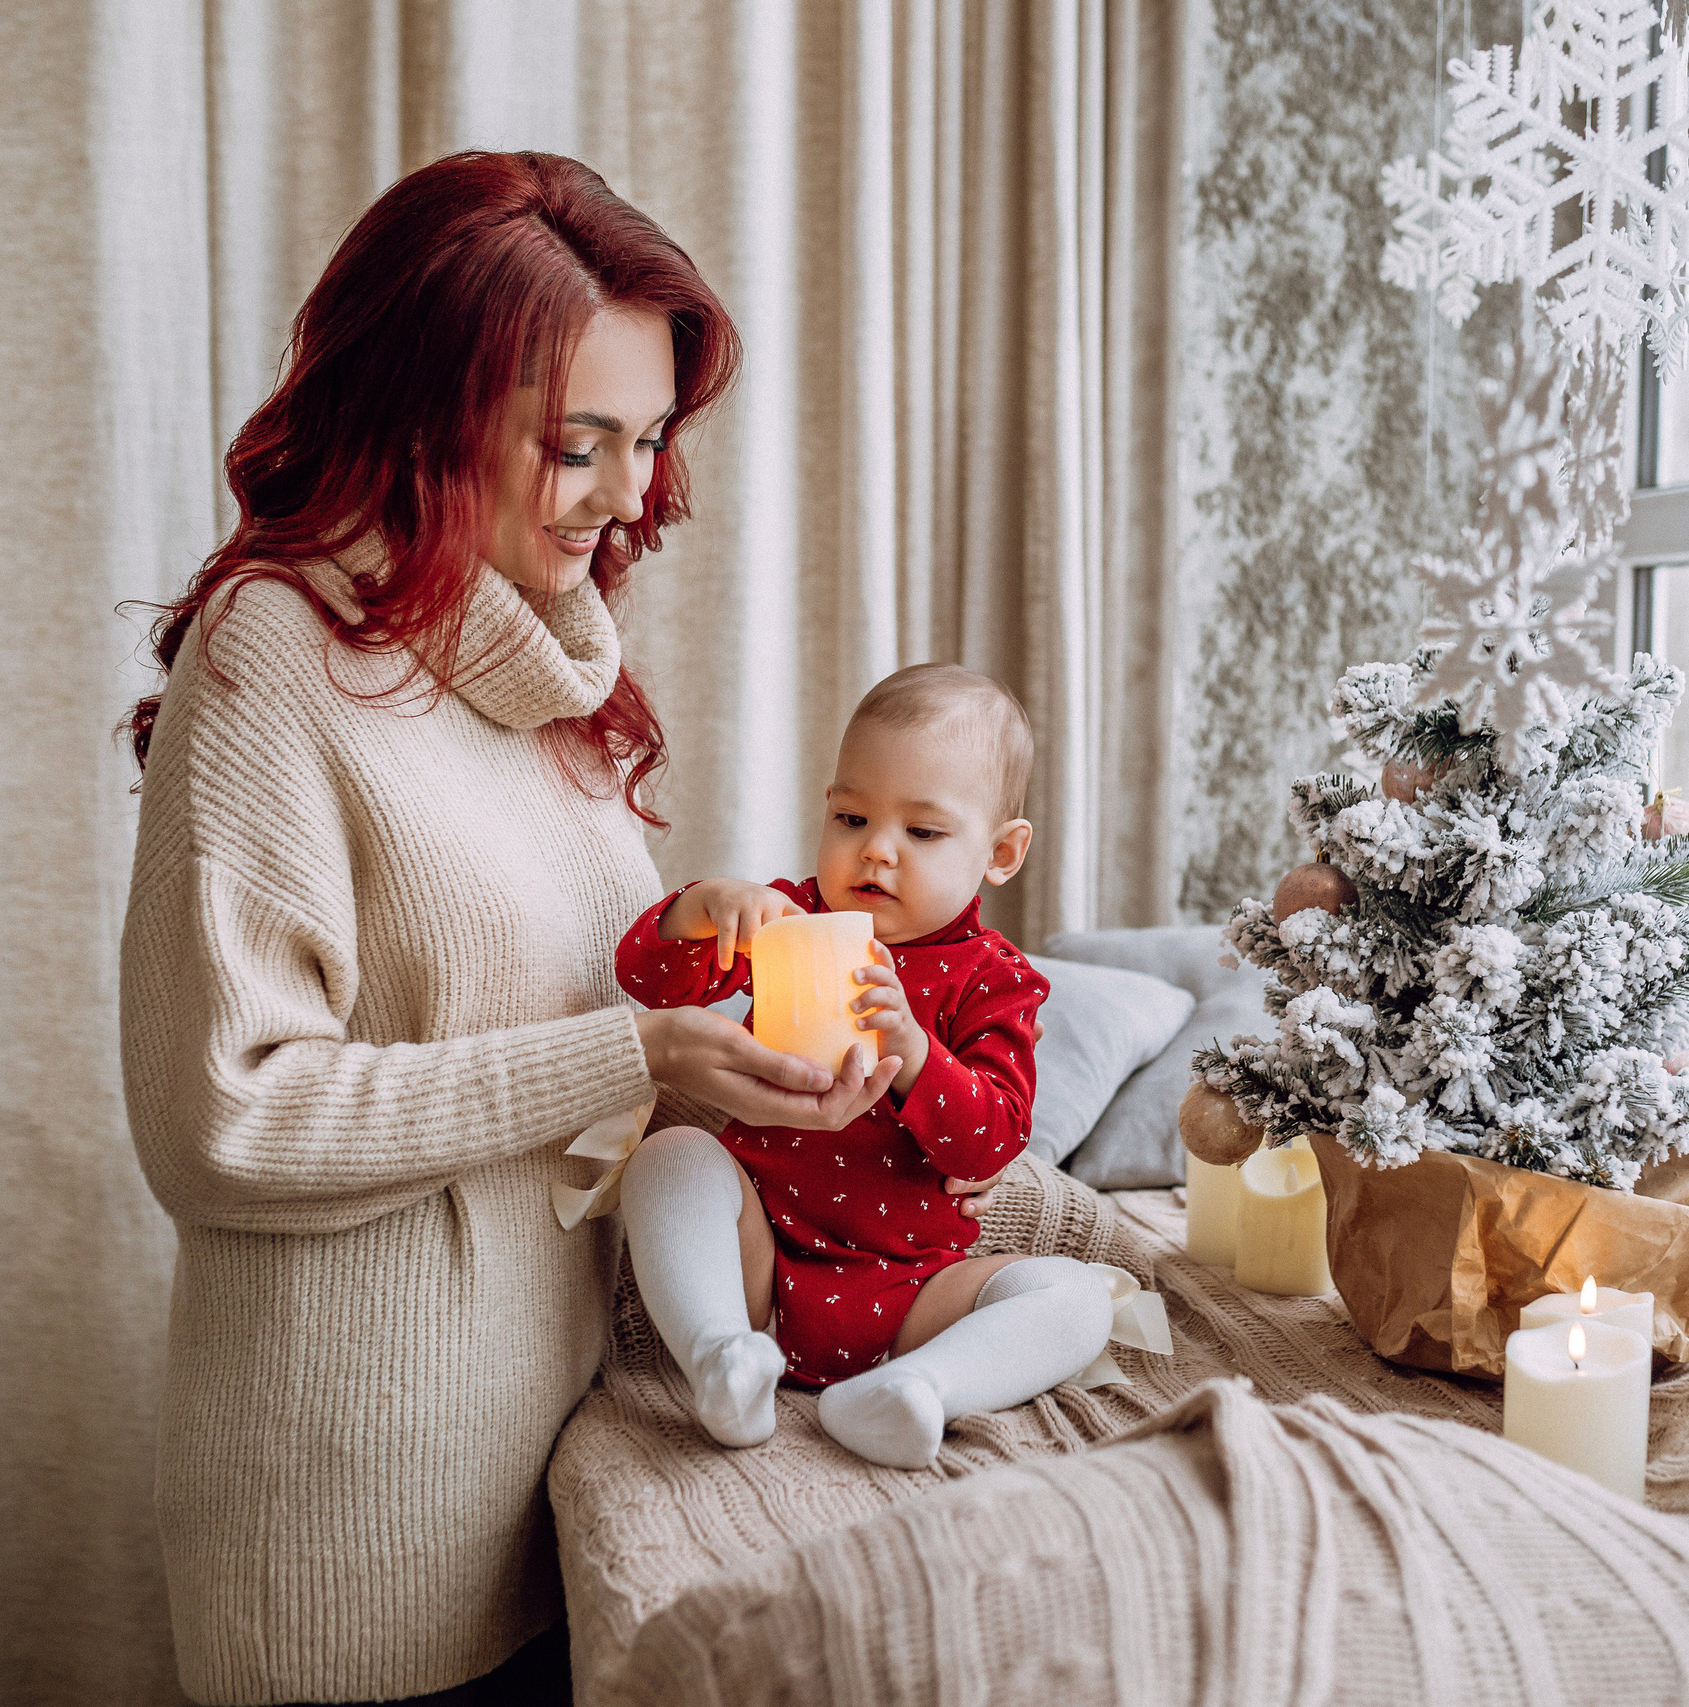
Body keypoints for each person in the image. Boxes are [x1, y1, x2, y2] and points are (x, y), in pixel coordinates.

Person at [117, 151, 987, 1707]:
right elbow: (222, 1114)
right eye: (576, 445)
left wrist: (722, 1047)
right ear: (421, 414)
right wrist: (633, 1048)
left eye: (647, 442)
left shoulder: (542, 669)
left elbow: (557, 1047)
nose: (631, 497)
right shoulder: (274, 660)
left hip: (561, 1485)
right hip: (359, 1532)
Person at [611, 665, 1114, 1469]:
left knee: (1082, 1298)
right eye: (852, 816)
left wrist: (917, 1056)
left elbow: (991, 1143)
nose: (875, 850)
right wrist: (702, 908)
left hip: (916, 1290)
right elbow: (648, 980)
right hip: (763, 1267)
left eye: (922, 832)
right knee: (670, 1158)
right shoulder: (794, 919)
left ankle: (918, 1390)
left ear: (1001, 852)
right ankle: (720, 1359)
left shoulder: (996, 978)